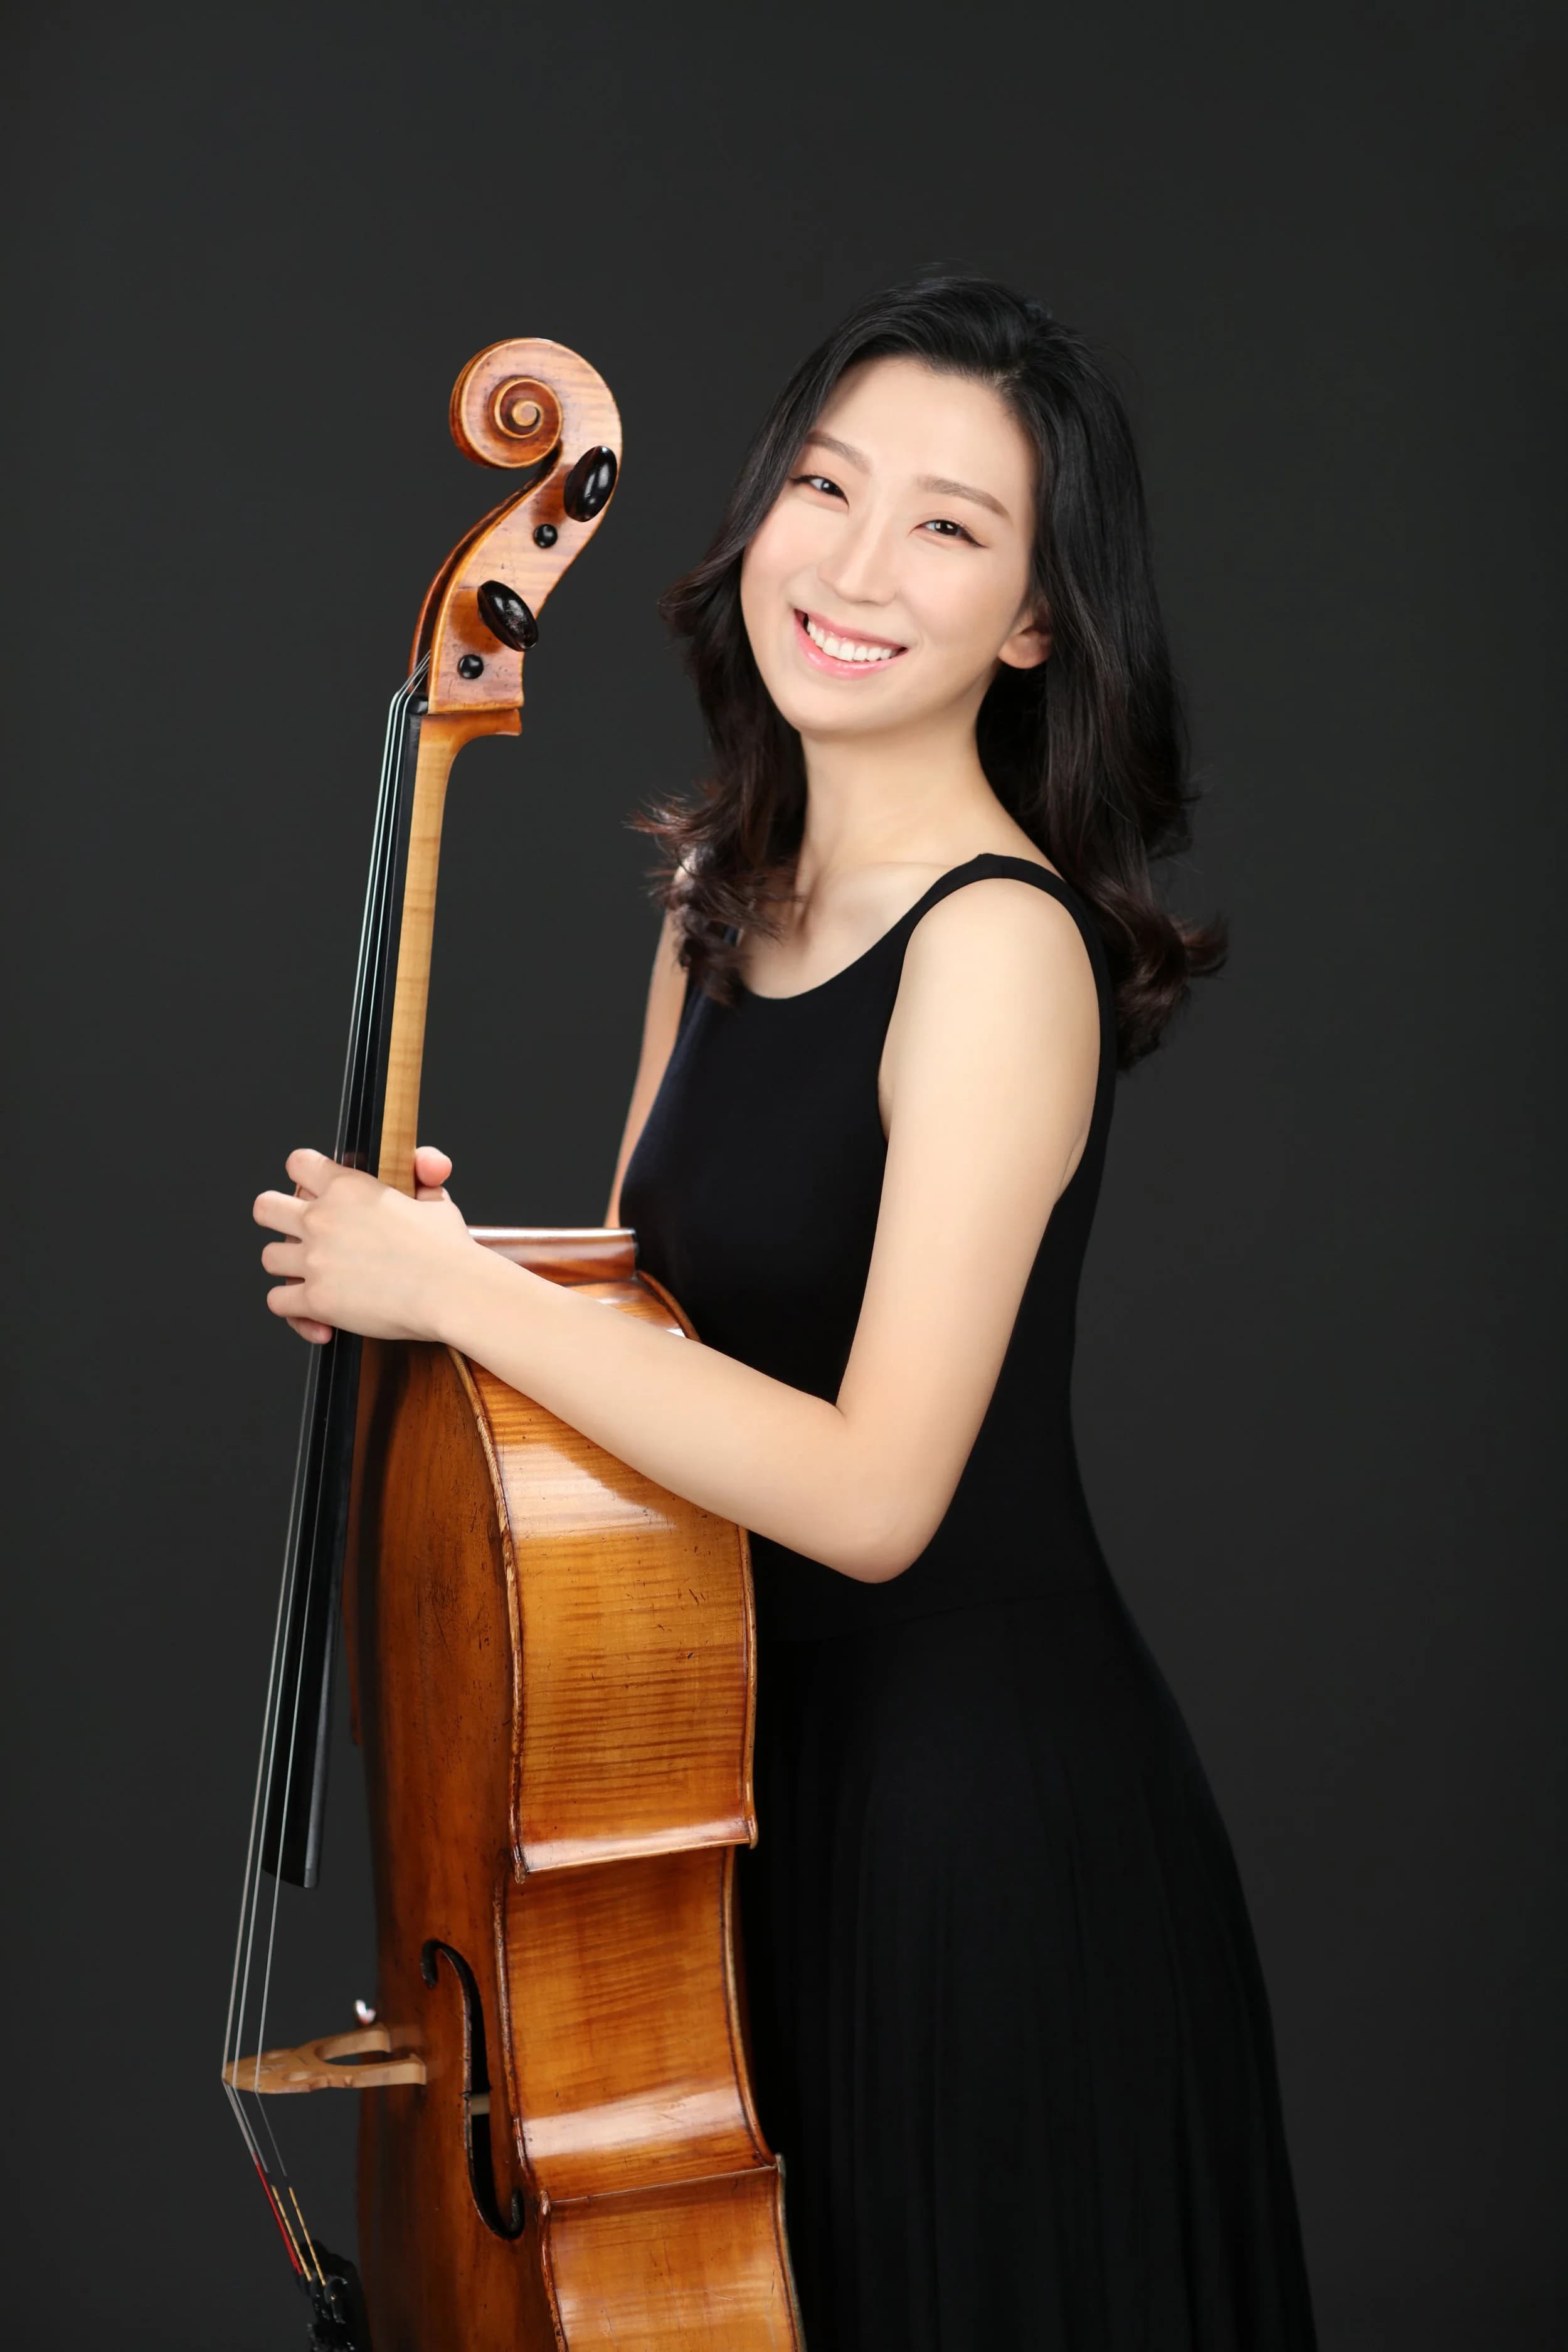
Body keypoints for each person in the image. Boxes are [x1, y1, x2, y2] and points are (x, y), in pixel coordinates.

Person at [255, 275, 1318, 2350]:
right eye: (825, 487)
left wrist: (463, 1295)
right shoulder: (716, 908)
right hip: (707, 1810)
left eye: (946, 524)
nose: (849, 563)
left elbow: (869, 1489)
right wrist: (468, 1294)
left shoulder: (1003, 951)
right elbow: (674, 1341)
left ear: (1033, 621)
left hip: (970, 1850)